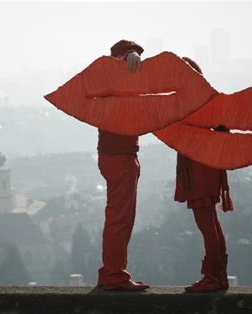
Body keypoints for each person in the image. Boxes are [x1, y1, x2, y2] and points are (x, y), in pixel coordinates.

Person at [175, 57, 234, 293]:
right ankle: (219, 275)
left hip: (197, 168)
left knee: (206, 224)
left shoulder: (189, 102)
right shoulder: (208, 98)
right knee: (212, 223)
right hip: (209, 167)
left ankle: (212, 276)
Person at [97, 40, 149, 291]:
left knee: (118, 218)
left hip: (114, 155)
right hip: (120, 157)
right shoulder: (115, 83)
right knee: (120, 219)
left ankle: (110, 272)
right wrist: (130, 54)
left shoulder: (106, 84)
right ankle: (115, 275)